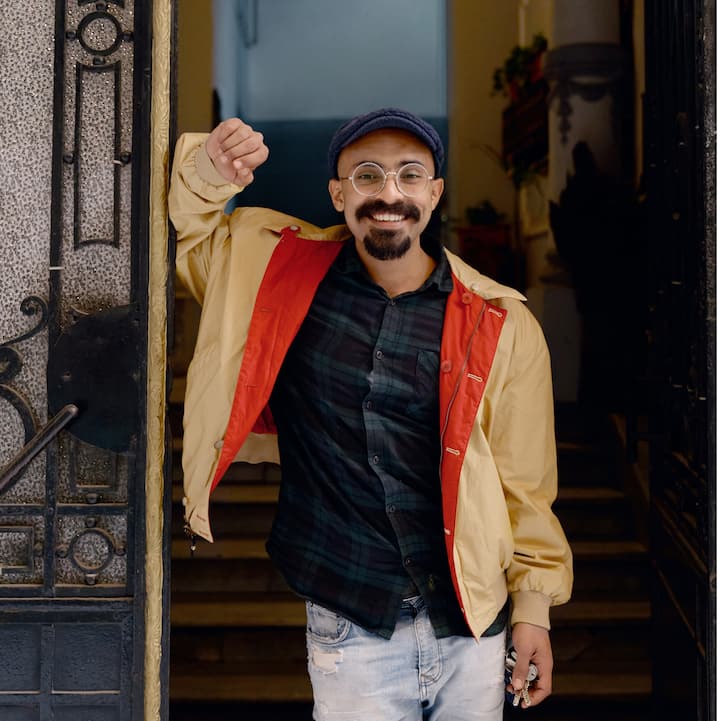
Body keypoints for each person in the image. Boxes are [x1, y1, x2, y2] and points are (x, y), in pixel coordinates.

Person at [169, 108, 573, 721]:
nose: (390, 192)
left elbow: (526, 484)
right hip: (352, 621)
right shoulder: (278, 281)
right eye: (367, 175)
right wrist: (210, 171)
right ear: (338, 193)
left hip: (473, 625)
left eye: (411, 175)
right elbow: (193, 240)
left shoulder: (502, 324)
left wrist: (533, 608)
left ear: (434, 194)